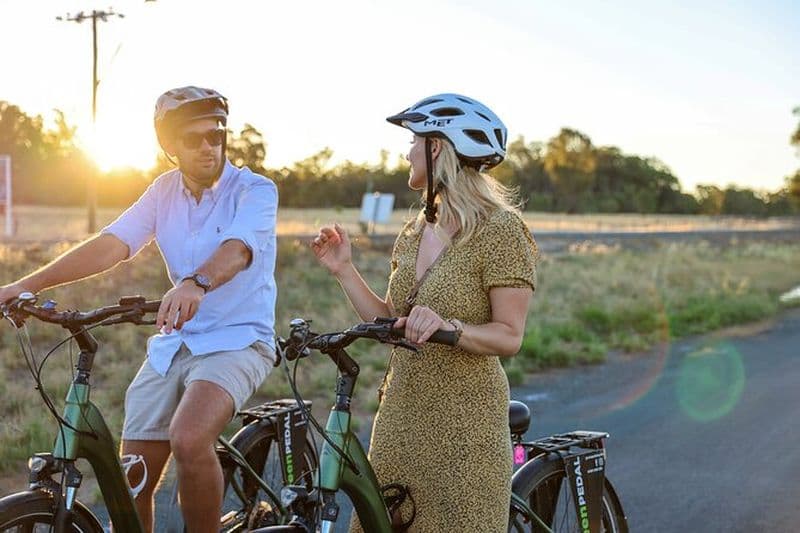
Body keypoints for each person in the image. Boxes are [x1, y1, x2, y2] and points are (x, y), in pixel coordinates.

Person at [0, 86, 279, 533]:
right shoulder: (162, 192)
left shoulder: (255, 191)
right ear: (170, 146)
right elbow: (113, 244)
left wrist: (197, 281)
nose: (209, 146)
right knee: (133, 474)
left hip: (240, 339)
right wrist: (26, 284)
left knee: (188, 438)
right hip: (177, 341)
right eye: (194, 139)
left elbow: (238, 249)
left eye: (217, 135)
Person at [312, 93, 537, 531]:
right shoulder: (416, 230)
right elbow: (391, 319)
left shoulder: (501, 230)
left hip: (465, 427)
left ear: (437, 148)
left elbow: (509, 336)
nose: (407, 152)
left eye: (414, 141)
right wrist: (344, 270)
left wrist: (448, 328)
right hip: (399, 416)